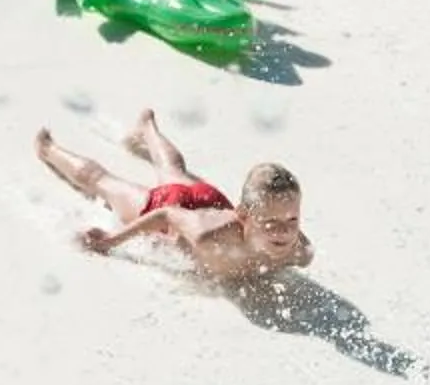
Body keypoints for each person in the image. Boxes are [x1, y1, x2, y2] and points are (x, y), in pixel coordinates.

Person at [35, 111, 312, 285]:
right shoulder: (210, 236)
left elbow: (296, 245)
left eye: (292, 219)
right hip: (171, 205)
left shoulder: (299, 250)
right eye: (271, 221)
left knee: (173, 170)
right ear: (243, 217)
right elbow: (166, 215)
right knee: (104, 183)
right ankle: (49, 149)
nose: (284, 230)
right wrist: (110, 240)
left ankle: (148, 128)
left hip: (210, 201)